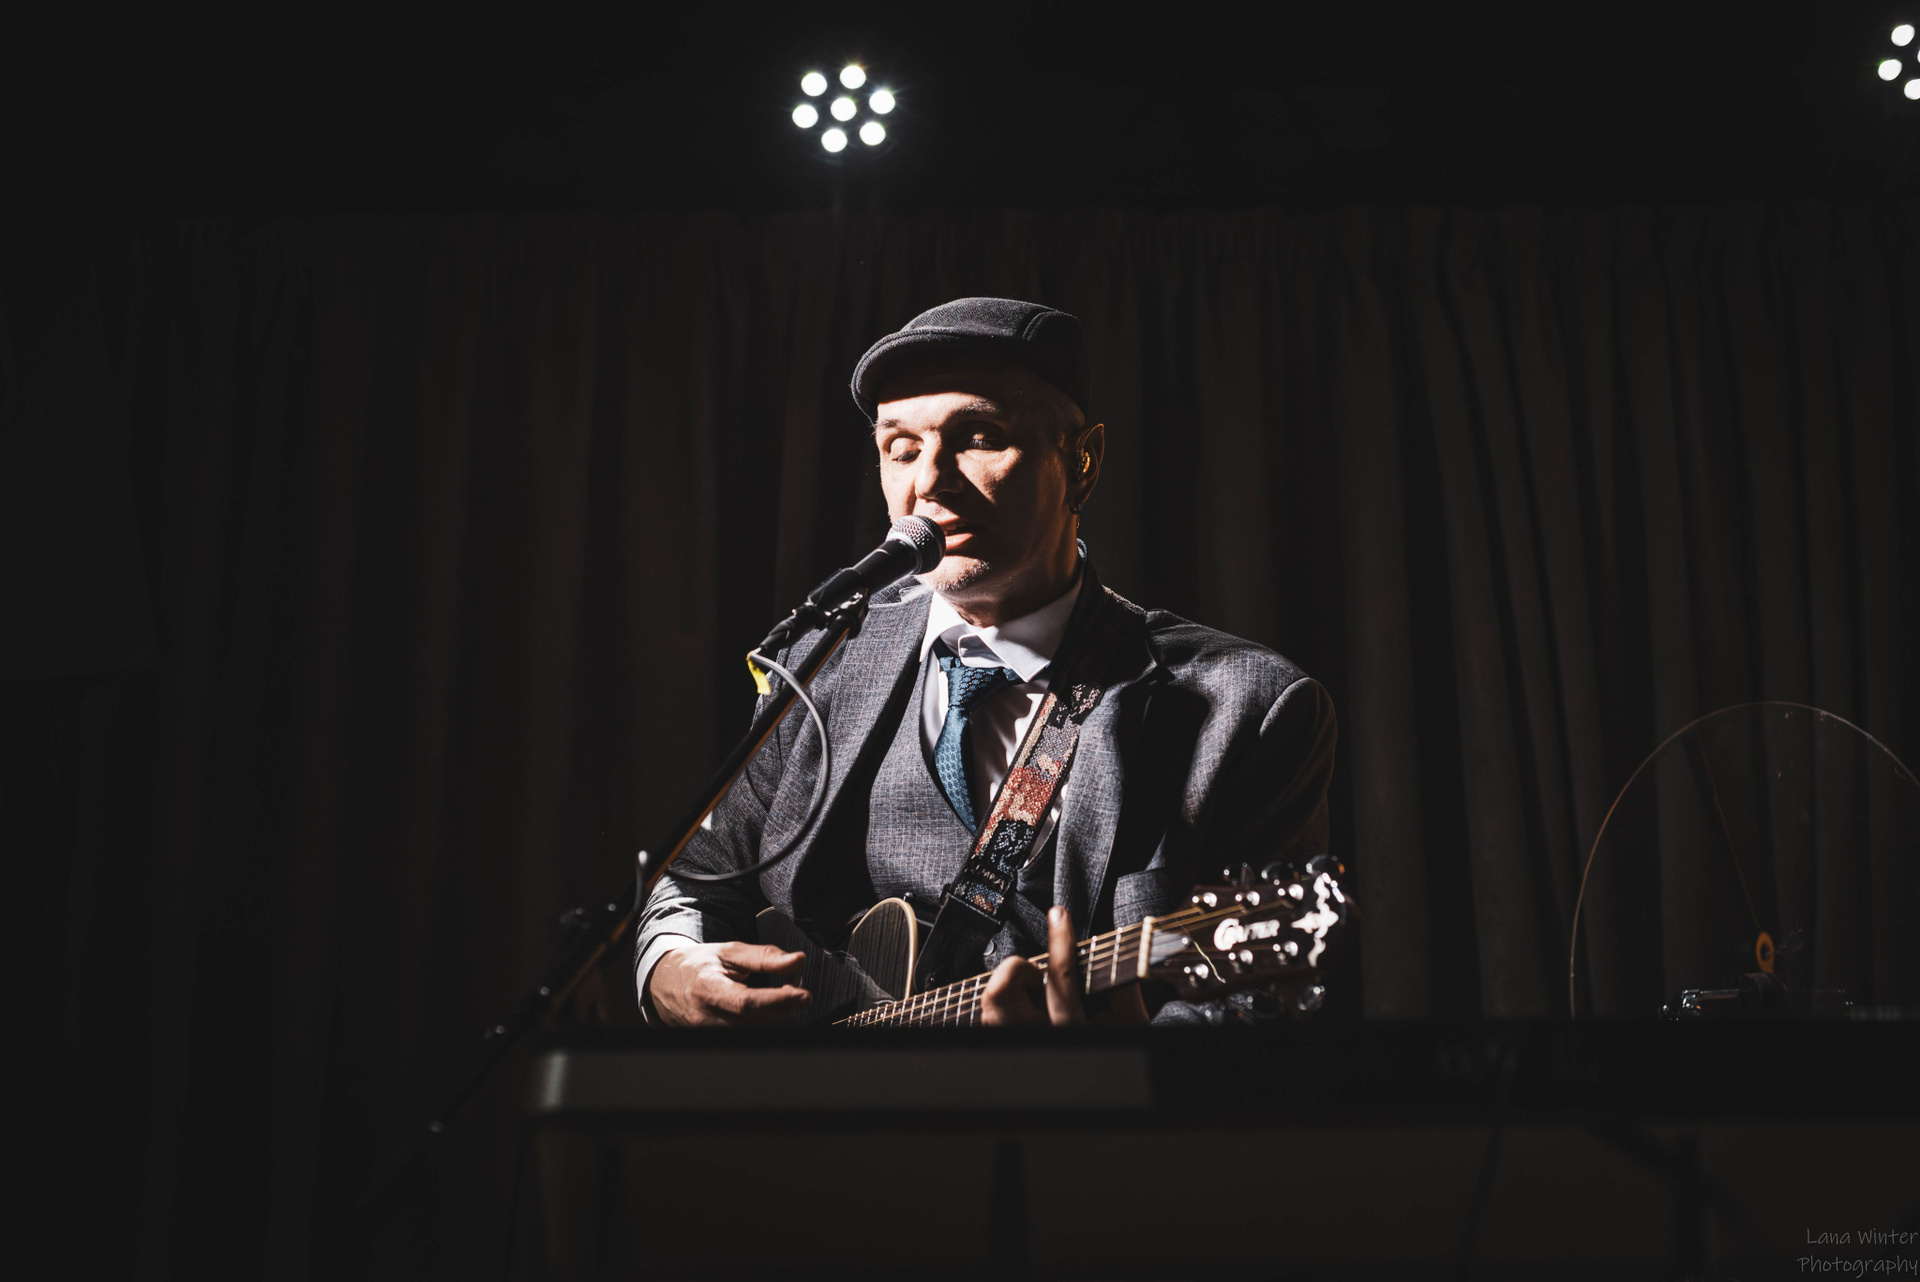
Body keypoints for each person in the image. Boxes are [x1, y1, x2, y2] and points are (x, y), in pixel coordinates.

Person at [635, 297, 1336, 1026]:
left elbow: (1254, 1019)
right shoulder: (820, 661)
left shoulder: (1250, 708)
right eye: (902, 448)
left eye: (979, 437)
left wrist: (1112, 1068)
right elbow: (697, 878)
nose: (930, 482)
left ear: (1082, 462)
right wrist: (671, 966)